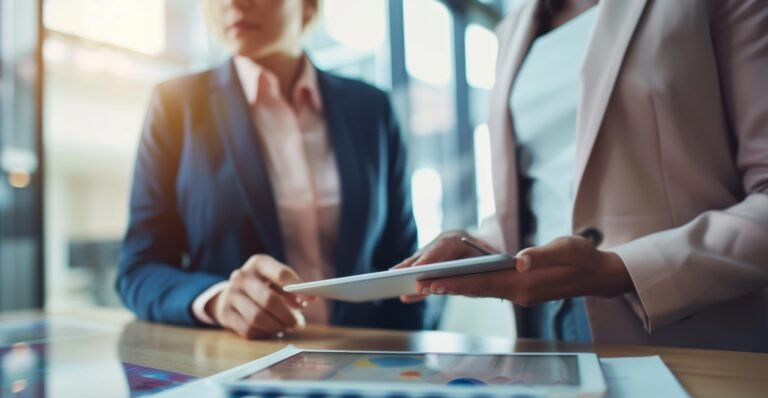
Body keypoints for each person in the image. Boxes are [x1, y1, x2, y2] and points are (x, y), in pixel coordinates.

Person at [400, 0, 768, 352]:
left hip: (680, 331)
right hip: (540, 324)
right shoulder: (513, 28)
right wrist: (477, 247)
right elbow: (544, 192)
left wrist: (620, 269)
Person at [117, 0, 423, 338]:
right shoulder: (176, 106)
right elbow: (138, 269)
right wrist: (219, 300)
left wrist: (407, 357)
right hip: (238, 363)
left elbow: (405, 263)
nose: (233, 3)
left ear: (308, 6)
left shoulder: (372, 110)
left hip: (365, 360)